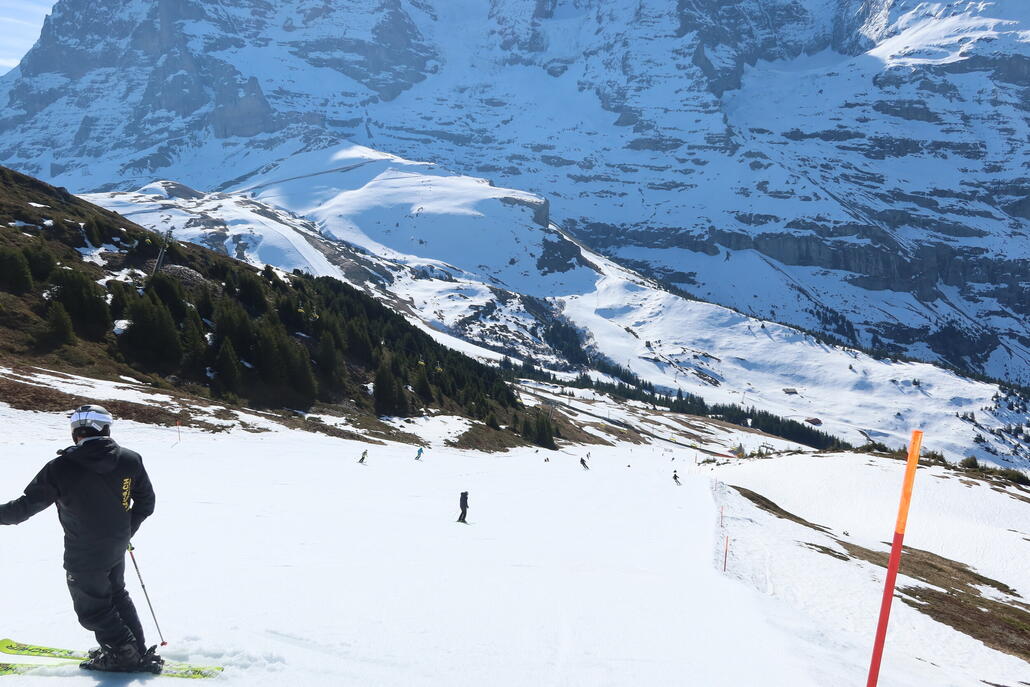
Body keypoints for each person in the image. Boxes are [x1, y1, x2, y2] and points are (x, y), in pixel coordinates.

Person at [0, 405, 159, 673]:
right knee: (116, 596)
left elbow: (22, 509)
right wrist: (123, 532)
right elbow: (146, 503)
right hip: (115, 546)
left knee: (93, 609)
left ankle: (123, 653)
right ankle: (134, 648)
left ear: (76, 433)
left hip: (84, 553)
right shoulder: (130, 460)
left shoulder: (60, 468)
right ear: (106, 429)